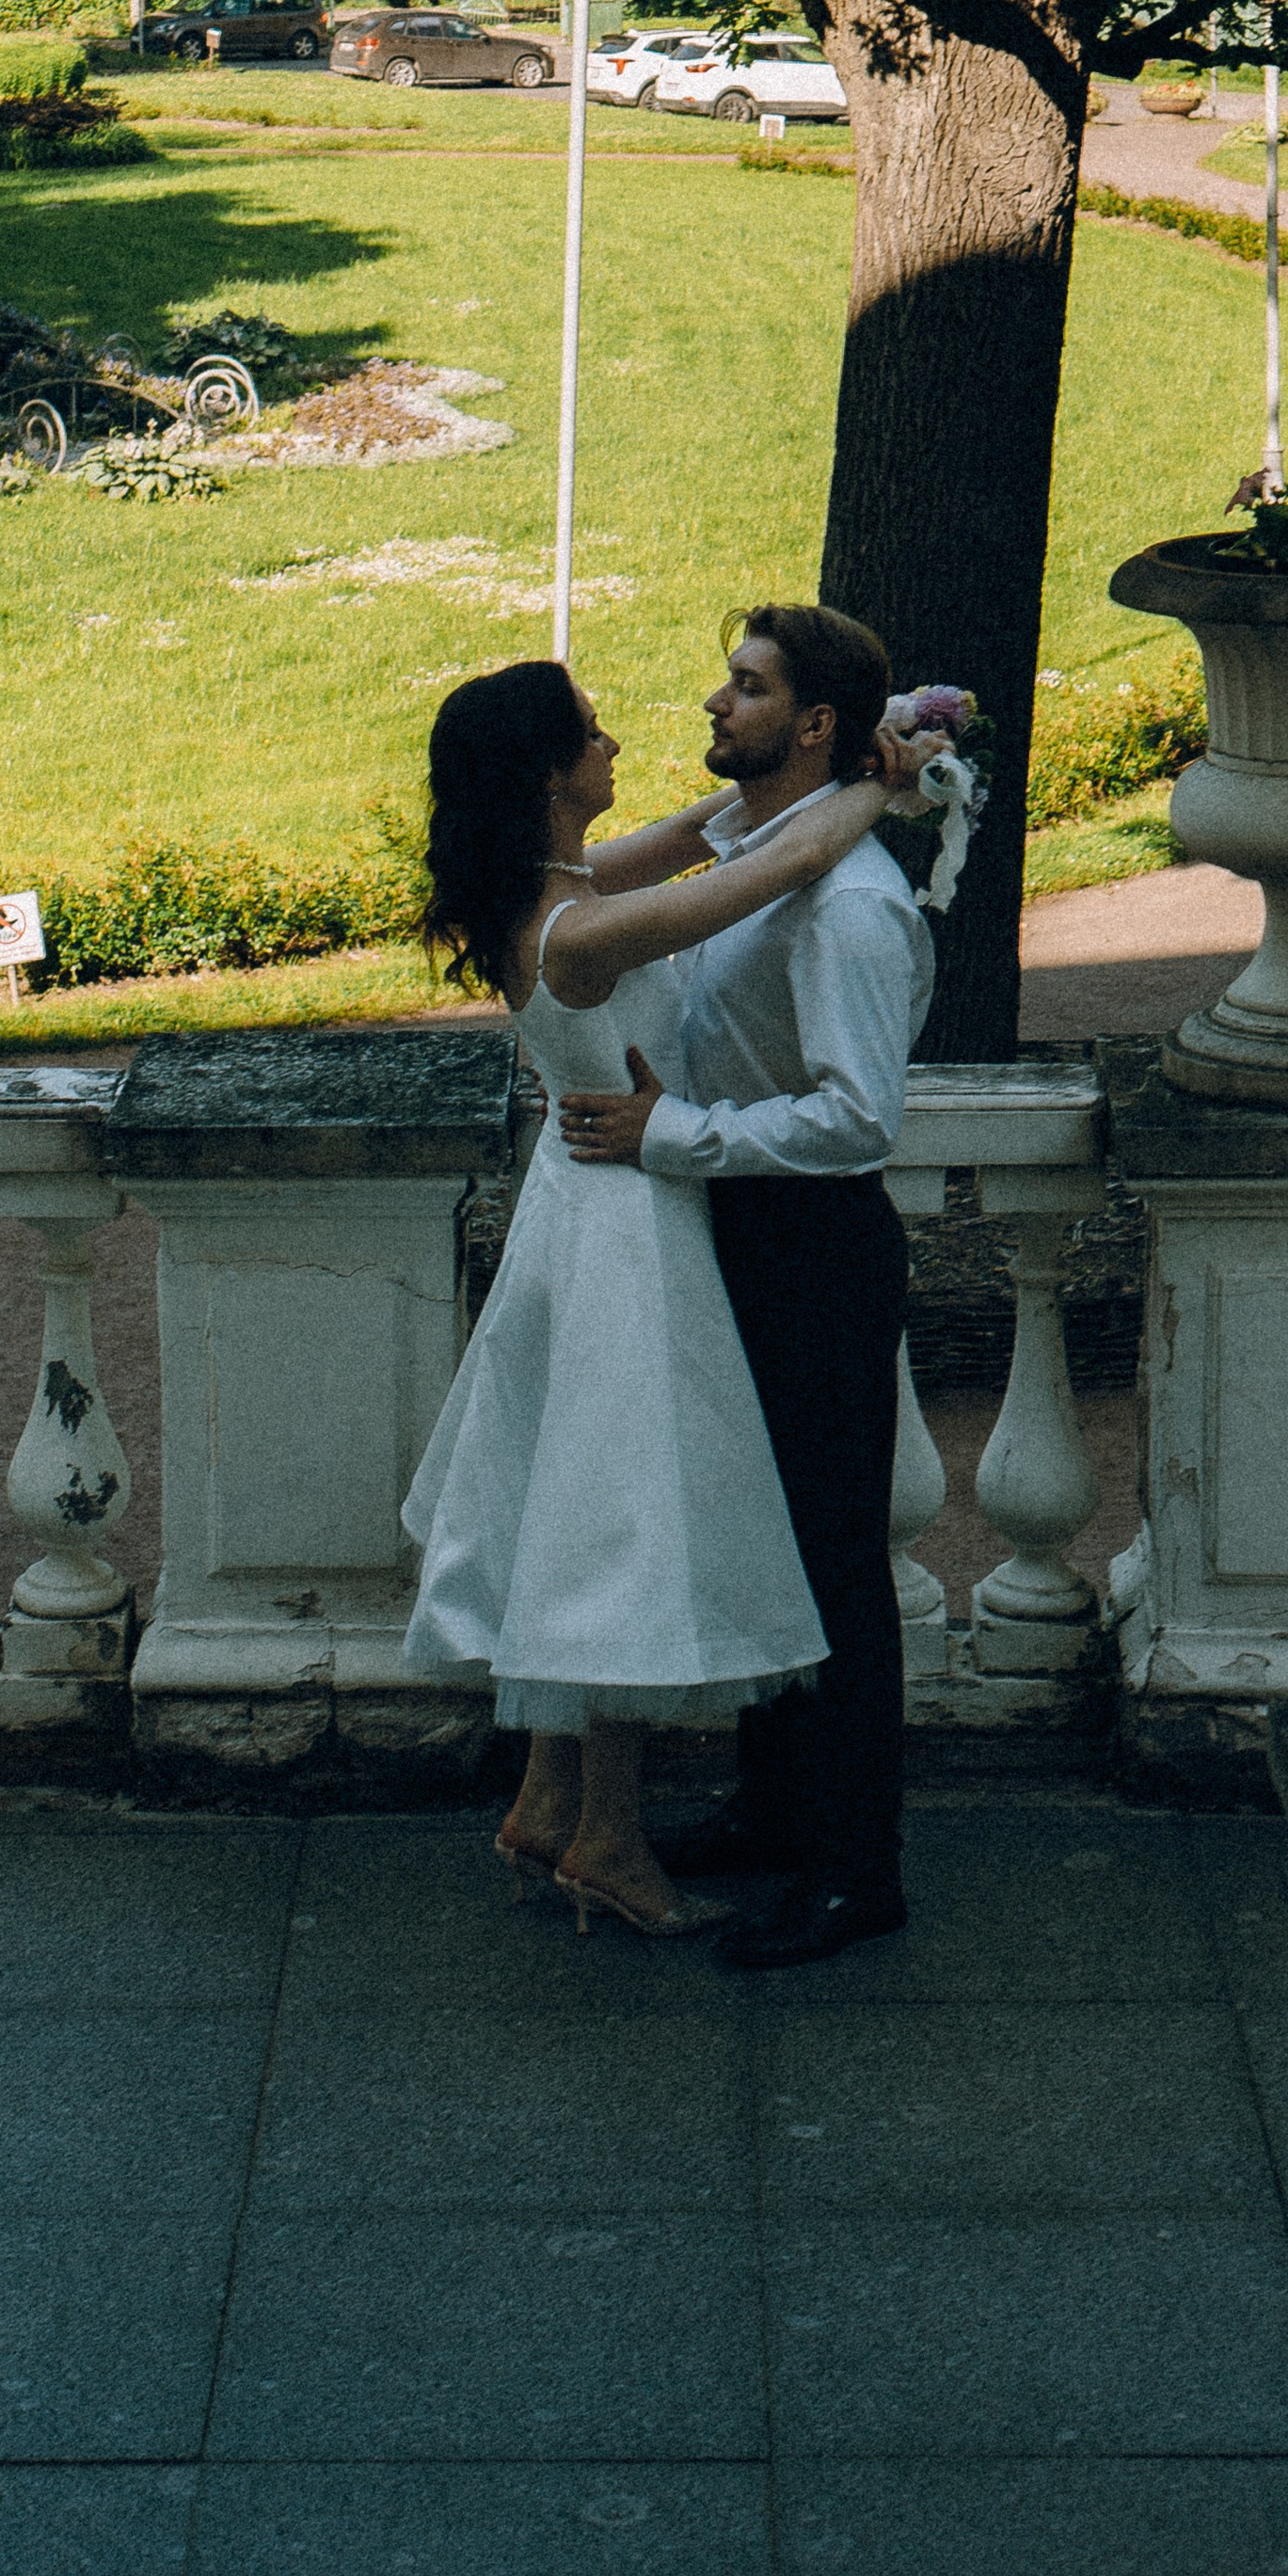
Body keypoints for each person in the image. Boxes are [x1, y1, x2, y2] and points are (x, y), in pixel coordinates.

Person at [401, 658, 936, 1940]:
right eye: (591, 734)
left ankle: (552, 1804)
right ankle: (610, 1841)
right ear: (547, 774)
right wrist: (877, 784)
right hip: (630, 1222)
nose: (616, 741)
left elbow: (709, 831)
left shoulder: (559, 886)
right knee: (628, 1524)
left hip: (577, 1213)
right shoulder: (585, 928)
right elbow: (765, 876)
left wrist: (847, 755)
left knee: (576, 1510)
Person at [558, 604, 933, 1971]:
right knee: (758, 1534)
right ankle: (777, 1810)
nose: (718, 704)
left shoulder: (851, 910)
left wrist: (677, 1138)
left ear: (815, 725)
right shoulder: (754, 849)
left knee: (833, 1561)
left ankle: (854, 1870)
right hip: (738, 1235)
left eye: (750, 687)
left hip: (814, 1245)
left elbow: (858, 1121)